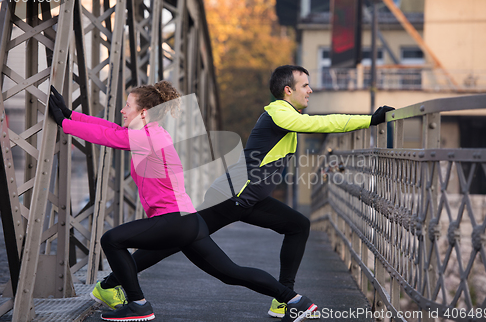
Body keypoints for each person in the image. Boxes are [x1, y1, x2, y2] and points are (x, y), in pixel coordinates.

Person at [79, 65, 394, 319]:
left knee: (297, 225)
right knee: (179, 240)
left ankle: (284, 299)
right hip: (233, 195)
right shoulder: (278, 113)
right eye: (305, 85)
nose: (310, 90)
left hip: (248, 198)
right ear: (288, 90)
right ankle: (111, 284)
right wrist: (369, 119)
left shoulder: (285, 115)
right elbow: (324, 125)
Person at [48, 82, 318, 322]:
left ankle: (138, 304)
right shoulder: (152, 133)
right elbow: (112, 129)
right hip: (189, 222)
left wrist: (64, 124)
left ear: (143, 112)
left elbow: (108, 137)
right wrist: (72, 115)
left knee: (111, 240)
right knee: (231, 273)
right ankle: (295, 300)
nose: (122, 110)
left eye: (127, 105)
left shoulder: (147, 137)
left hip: (173, 220)